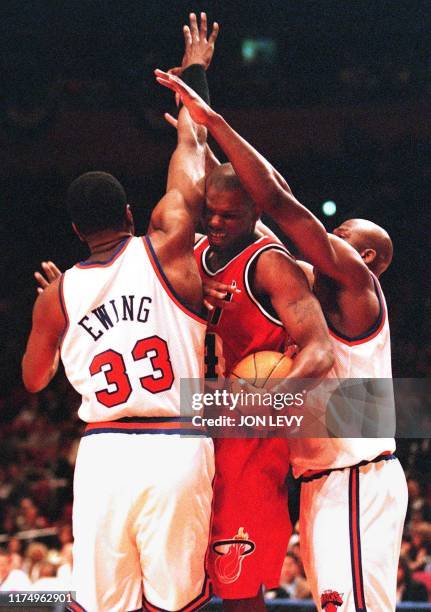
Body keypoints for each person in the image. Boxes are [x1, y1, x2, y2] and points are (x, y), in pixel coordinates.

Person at [154, 71, 408, 611]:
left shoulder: (357, 288)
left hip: (356, 475)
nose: (324, 241)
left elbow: (274, 201)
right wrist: (194, 135)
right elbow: (237, 210)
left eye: (338, 239)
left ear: (364, 261)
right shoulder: (301, 281)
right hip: (319, 478)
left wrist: (215, 124)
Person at [22, 14, 219, 612]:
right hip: (177, 444)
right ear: (132, 214)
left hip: (105, 454)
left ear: (78, 232)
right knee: (175, 604)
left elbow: (34, 379)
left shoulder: (56, 297)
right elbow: (193, 149)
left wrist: (58, 313)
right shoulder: (166, 246)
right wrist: (196, 76)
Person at [193, 161, 334, 611]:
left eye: (229, 215)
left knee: (239, 586)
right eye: (210, 211)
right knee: (179, 581)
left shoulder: (271, 265)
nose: (216, 222)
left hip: (248, 441)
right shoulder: (192, 255)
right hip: (194, 430)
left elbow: (319, 350)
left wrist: (266, 401)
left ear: (255, 210)